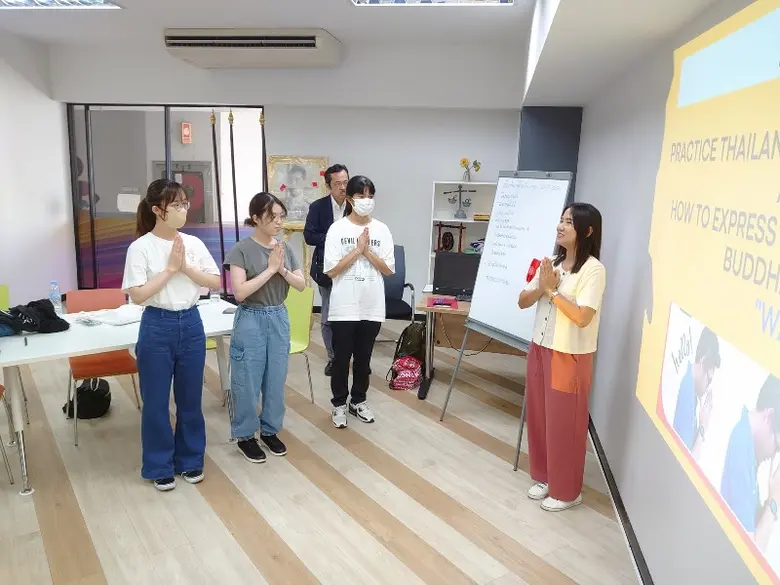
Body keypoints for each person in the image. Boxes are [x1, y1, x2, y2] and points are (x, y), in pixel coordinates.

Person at [122, 179, 221, 492]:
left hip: (190, 323)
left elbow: (215, 281)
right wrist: (169, 269)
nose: (183, 210)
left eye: (184, 204)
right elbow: (138, 295)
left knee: (190, 399)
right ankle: (159, 465)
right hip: (156, 325)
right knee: (155, 402)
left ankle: (190, 459)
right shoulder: (141, 247)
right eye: (176, 205)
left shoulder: (193, 243)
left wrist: (185, 267)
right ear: (157, 210)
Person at [517, 202, 606, 512]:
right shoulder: (550, 263)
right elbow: (522, 301)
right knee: (540, 415)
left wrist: (553, 292)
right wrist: (542, 287)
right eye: (561, 220)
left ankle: (567, 491)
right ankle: (545, 477)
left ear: (587, 230)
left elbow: (582, 317)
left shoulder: (593, 269)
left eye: (569, 222)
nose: (561, 226)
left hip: (569, 355)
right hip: (540, 347)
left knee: (565, 422)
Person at [223, 193, 306, 463]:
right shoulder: (241, 250)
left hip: (278, 316)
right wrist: (270, 270)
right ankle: (245, 435)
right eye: (272, 217)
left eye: (281, 216)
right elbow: (240, 293)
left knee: (275, 379)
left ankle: (270, 430)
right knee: (247, 380)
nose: (279, 222)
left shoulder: (285, 248)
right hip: (251, 317)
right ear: (256, 218)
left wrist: (281, 269)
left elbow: (301, 284)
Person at [324, 175, 394, 429]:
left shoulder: (382, 230)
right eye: (361, 195)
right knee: (341, 359)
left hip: (371, 305)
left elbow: (388, 270)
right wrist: (356, 250)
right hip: (344, 306)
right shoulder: (337, 229)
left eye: (370, 196)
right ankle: (339, 404)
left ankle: (359, 401)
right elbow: (331, 271)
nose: (367, 200)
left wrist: (367, 251)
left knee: (364, 359)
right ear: (350, 199)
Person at [721, 374, 780, 552]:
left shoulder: (749, 451)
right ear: (769, 417)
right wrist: (774, 502)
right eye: (777, 447)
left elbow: (750, 522)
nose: (773, 455)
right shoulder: (742, 446)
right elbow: (751, 553)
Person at [304, 163, 349, 375]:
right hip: (327, 268)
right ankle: (333, 358)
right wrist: (334, 238)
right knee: (328, 316)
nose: (343, 187)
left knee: (351, 316)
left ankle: (350, 355)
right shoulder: (318, 207)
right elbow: (309, 236)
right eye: (338, 183)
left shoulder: (355, 206)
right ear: (328, 186)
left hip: (352, 269)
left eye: (345, 182)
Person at [672, 327, 721, 458]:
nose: (708, 386)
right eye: (709, 379)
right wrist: (703, 427)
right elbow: (686, 461)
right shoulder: (687, 393)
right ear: (703, 361)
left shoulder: (691, 393)